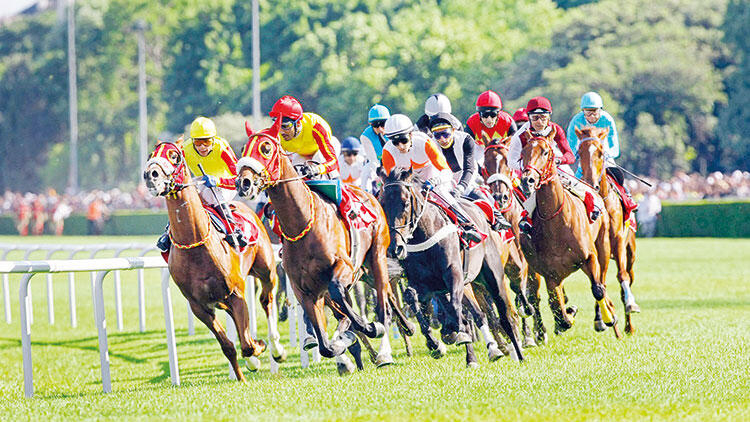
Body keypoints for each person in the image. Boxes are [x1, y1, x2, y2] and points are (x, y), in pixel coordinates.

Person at [381, 113, 482, 243]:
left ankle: (468, 225)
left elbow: (446, 171)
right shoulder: (387, 151)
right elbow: (392, 181)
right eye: (395, 142)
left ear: (411, 134)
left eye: (404, 140)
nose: (400, 146)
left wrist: (435, 181)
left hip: (431, 176)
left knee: (440, 192)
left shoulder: (425, 142)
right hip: (408, 181)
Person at [509, 96, 600, 232]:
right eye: (535, 118)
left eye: (543, 117)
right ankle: (526, 220)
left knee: (578, 185)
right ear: (528, 118)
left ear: (549, 117)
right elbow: (511, 162)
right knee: (531, 193)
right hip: (534, 171)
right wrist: (531, 167)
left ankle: (593, 207)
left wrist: (557, 161)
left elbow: (570, 156)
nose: (539, 122)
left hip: (557, 166)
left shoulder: (556, 130)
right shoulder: (520, 136)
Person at [157, 116, 246, 252]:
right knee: (183, 196)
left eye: (206, 141)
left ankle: (234, 230)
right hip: (202, 181)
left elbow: (238, 179)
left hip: (225, 184)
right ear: (192, 141)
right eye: (198, 142)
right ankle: (168, 232)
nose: (202, 146)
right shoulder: (185, 150)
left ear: (213, 140)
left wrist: (218, 181)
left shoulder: (221, 148)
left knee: (211, 192)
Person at [428, 112, 511, 231]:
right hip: (444, 178)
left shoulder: (466, 139)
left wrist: (460, 187)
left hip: (466, 174)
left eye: (445, 134)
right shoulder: (431, 144)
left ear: (453, 130)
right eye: (437, 135)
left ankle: (497, 216)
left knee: (471, 191)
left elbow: (469, 168)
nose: (442, 139)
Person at [269, 95, 340, 179]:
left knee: (321, 161)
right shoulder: (277, 135)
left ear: (298, 123)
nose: (281, 131)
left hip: (322, 150)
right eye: (277, 125)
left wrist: (318, 169)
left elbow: (333, 161)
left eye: (285, 126)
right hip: (301, 154)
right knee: (294, 173)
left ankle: (341, 190)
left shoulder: (316, 126)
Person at [566, 92, 620, 177]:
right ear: (583, 111)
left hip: (604, 155)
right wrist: (575, 155)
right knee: (574, 182)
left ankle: (624, 190)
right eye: (588, 112)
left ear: (600, 109)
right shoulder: (576, 121)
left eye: (594, 112)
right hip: (586, 156)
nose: (591, 116)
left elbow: (614, 145)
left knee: (618, 179)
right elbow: (570, 144)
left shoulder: (607, 120)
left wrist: (607, 155)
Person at [360, 104, 390, 168]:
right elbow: (373, 161)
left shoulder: (394, 129)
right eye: (375, 125)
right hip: (376, 164)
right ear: (370, 124)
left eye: (383, 124)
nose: (380, 129)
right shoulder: (365, 137)